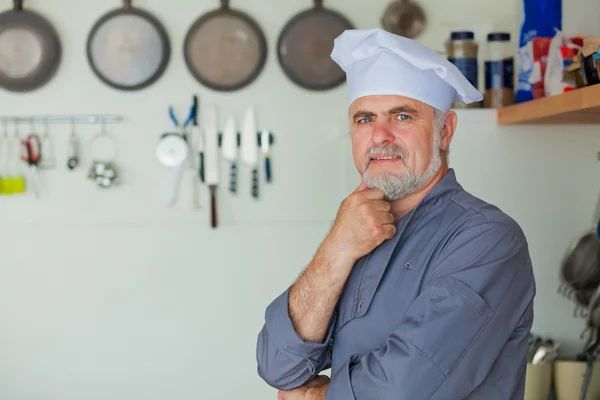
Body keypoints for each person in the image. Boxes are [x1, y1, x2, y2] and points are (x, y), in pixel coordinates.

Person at [256, 28, 536, 400]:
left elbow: (408, 385)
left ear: (445, 132)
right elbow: (279, 364)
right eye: (365, 119)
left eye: (402, 117)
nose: (380, 135)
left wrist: (320, 396)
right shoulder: (355, 232)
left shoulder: (487, 238)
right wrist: (336, 249)